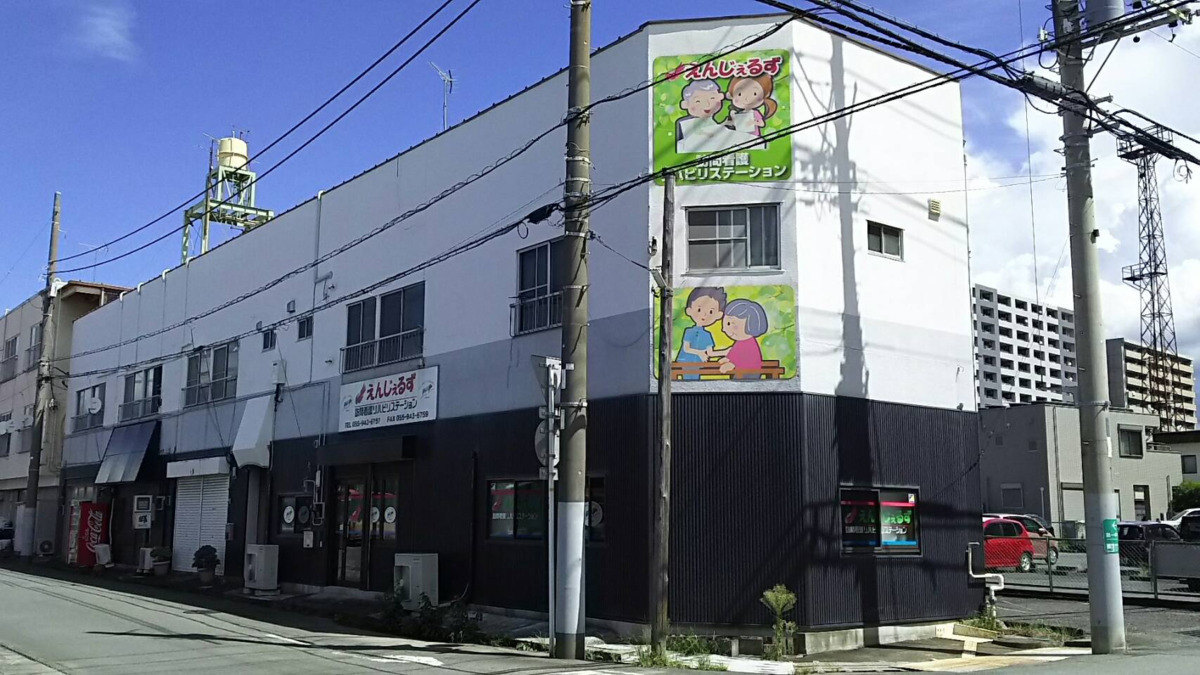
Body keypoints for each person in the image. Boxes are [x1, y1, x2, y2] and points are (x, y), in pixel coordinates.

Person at [675, 287, 726, 380]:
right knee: (688, 379)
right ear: (689, 310)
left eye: (711, 312)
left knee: (695, 379)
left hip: (698, 363)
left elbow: (710, 353)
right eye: (699, 310)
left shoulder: (707, 335)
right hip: (685, 361)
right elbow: (686, 348)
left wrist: (725, 352)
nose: (704, 315)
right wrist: (700, 353)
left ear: (718, 315)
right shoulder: (689, 331)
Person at [711, 298, 769, 378]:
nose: (724, 329)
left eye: (729, 324)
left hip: (749, 373)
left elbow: (747, 359)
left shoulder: (749, 344)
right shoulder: (740, 342)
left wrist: (731, 364)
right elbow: (735, 353)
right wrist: (728, 359)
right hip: (740, 372)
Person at [724, 74, 779, 139]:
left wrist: (753, 122)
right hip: (740, 137)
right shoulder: (735, 113)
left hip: (753, 137)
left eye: (754, 94)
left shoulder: (755, 113)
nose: (746, 99)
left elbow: (762, 124)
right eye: (739, 94)